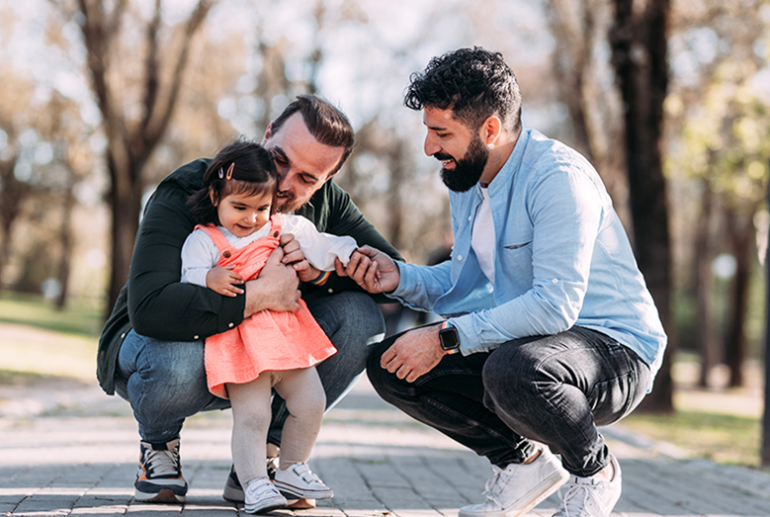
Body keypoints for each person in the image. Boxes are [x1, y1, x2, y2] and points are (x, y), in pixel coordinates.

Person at [338, 48, 667, 517]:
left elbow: (555, 306)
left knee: (512, 369)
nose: (429, 148)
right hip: (534, 347)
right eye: (428, 131)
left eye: (441, 133)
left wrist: (447, 337)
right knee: (391, 365)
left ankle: (595, 472)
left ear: (490, 129)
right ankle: (523, 465)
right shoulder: (468, 180)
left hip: (616, 350)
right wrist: (398, 276)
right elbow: (463, 284)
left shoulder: (557, 179)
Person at [96, 95, 402, 505]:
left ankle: (261, 462)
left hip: (260, 351)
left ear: (327, 180)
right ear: (267, 136)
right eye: (279, 160)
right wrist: (257, 296)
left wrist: (322, 274)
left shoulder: (324, 206)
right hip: (153, 343)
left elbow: (390, 272)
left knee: (362, 321)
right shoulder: (190, 186)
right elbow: (152, 309)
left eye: (308, 178)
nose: (285, 184)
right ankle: (158, 445)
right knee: (176, 363)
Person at [181, 140, 363, 513]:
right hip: (241, 340)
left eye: (260, 208)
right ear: (216, 196)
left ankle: (293, 467)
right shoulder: (206, 239)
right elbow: (188, 279)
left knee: (312, 402)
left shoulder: (282, 226)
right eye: (240, 207)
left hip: (287, 338)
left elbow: (321, 243)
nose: (250, 218)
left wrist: (345, 251)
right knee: (253, 416)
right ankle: (253, 485)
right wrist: (208, 277)